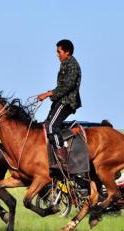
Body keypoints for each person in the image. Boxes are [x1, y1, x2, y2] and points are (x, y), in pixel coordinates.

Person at [37, 39, 82, 170]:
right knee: (46, 126)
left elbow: (67, 86)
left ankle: (62, 159)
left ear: (67, 52)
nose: (57, 55)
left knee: (50, 126)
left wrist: (47, 94)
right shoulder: (65, 64)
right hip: (60, 100)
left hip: (67, 101)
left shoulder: (72, 65)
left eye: (59, 52)